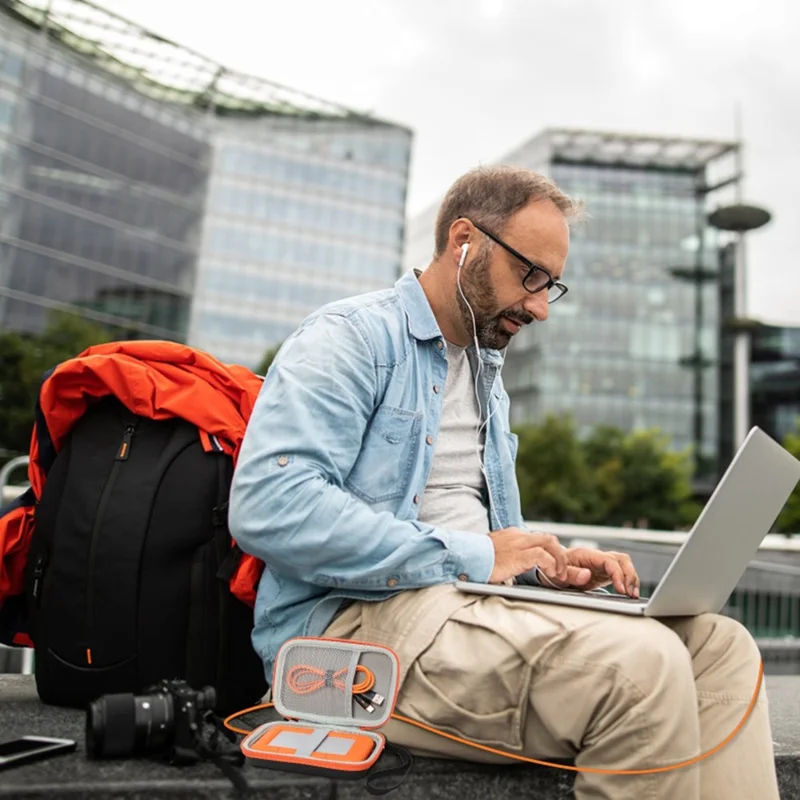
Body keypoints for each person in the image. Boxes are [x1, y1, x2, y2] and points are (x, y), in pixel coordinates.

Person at [229, 165, 778, 800]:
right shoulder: (349, 338)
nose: (541, 307)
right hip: (345, 634)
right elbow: (271, 505)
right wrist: (479, 555)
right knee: (642, 670)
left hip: (466, 608)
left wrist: (545, 565)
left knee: (721, 646)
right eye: (530, 276)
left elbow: (484, 539)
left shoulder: (487, 377)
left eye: (552, 286)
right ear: (464, 240)